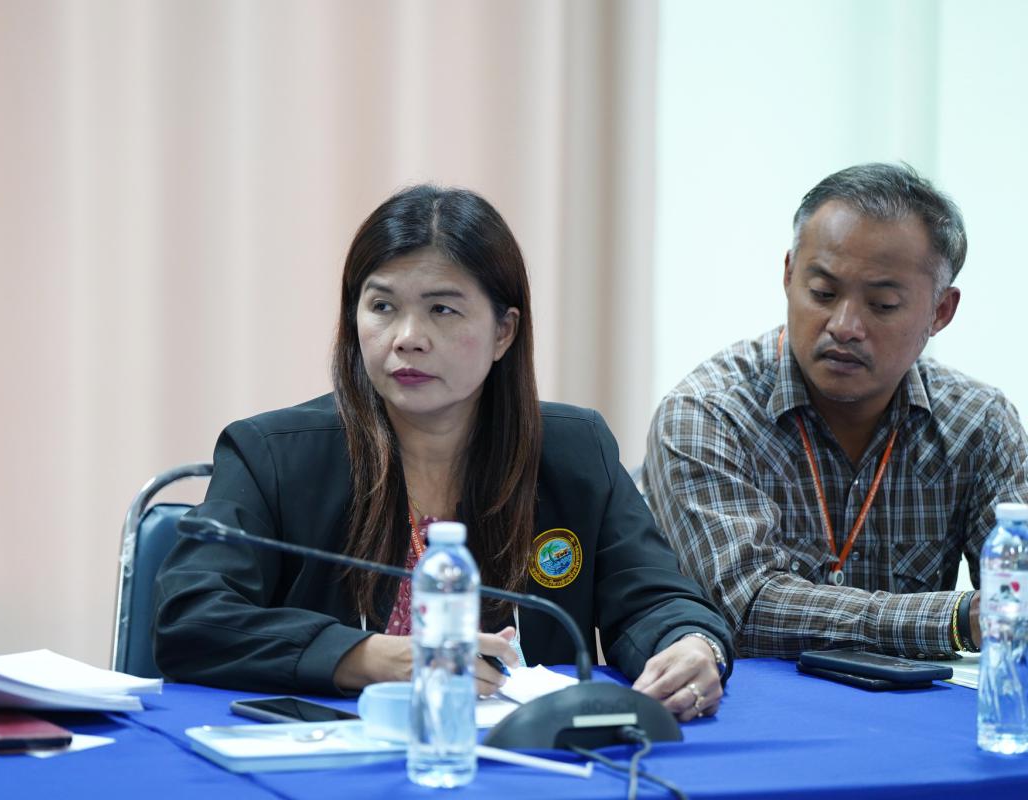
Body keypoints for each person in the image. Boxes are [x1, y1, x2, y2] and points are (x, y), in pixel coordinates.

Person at [155, 184, 731, 721]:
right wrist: (370, 658)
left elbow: (655, 597)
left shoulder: (574, 450)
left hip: (527, 758)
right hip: (329, 754)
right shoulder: (274, 455)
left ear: (504, 332)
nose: (408, 337)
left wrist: (690, 643)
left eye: (442, 309)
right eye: (382, 307)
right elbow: (192, 618)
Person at [643, 162, 1028, 659]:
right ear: (788, 275)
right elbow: (744, 607)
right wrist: (955, 619)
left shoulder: (979, 424)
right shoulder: (707, 415)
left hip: (916, 702)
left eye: (882, 304)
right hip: (751, 700)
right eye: (823, 293)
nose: (844, 325)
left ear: (940, 312)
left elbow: (1016, 591)